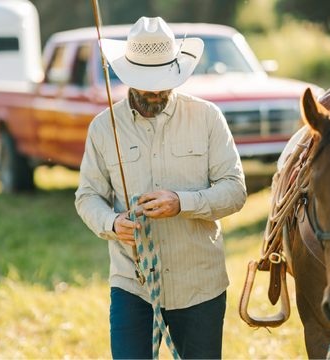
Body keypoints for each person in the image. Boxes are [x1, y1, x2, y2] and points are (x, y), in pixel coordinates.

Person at [75, 16, 247, 360]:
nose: (156, 91)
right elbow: (88, 196)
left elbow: (235, 190)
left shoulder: (208, 117)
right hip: (132, 285)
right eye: (146, 83)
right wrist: (111, 223)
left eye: (162, 81)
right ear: (128, 76)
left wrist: (181, 203)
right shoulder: (102, 128)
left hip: (200, 287)